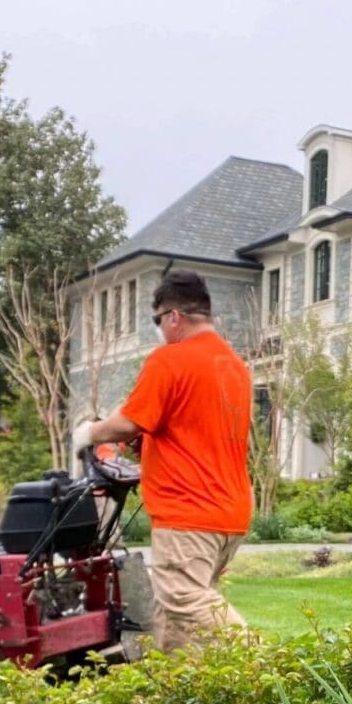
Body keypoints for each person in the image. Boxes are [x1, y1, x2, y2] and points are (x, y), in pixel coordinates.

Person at [73, 270, 253, 653]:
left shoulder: (171, 359)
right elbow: (189, 427)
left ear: (173, 316)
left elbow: (127, 422)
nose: (159, 329)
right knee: (174, 619)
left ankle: (270, 668)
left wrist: (88, 433)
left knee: (185, 599)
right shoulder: (234, 366)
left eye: (157, 321)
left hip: (188, 511)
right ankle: (172, 693)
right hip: (229, 511)